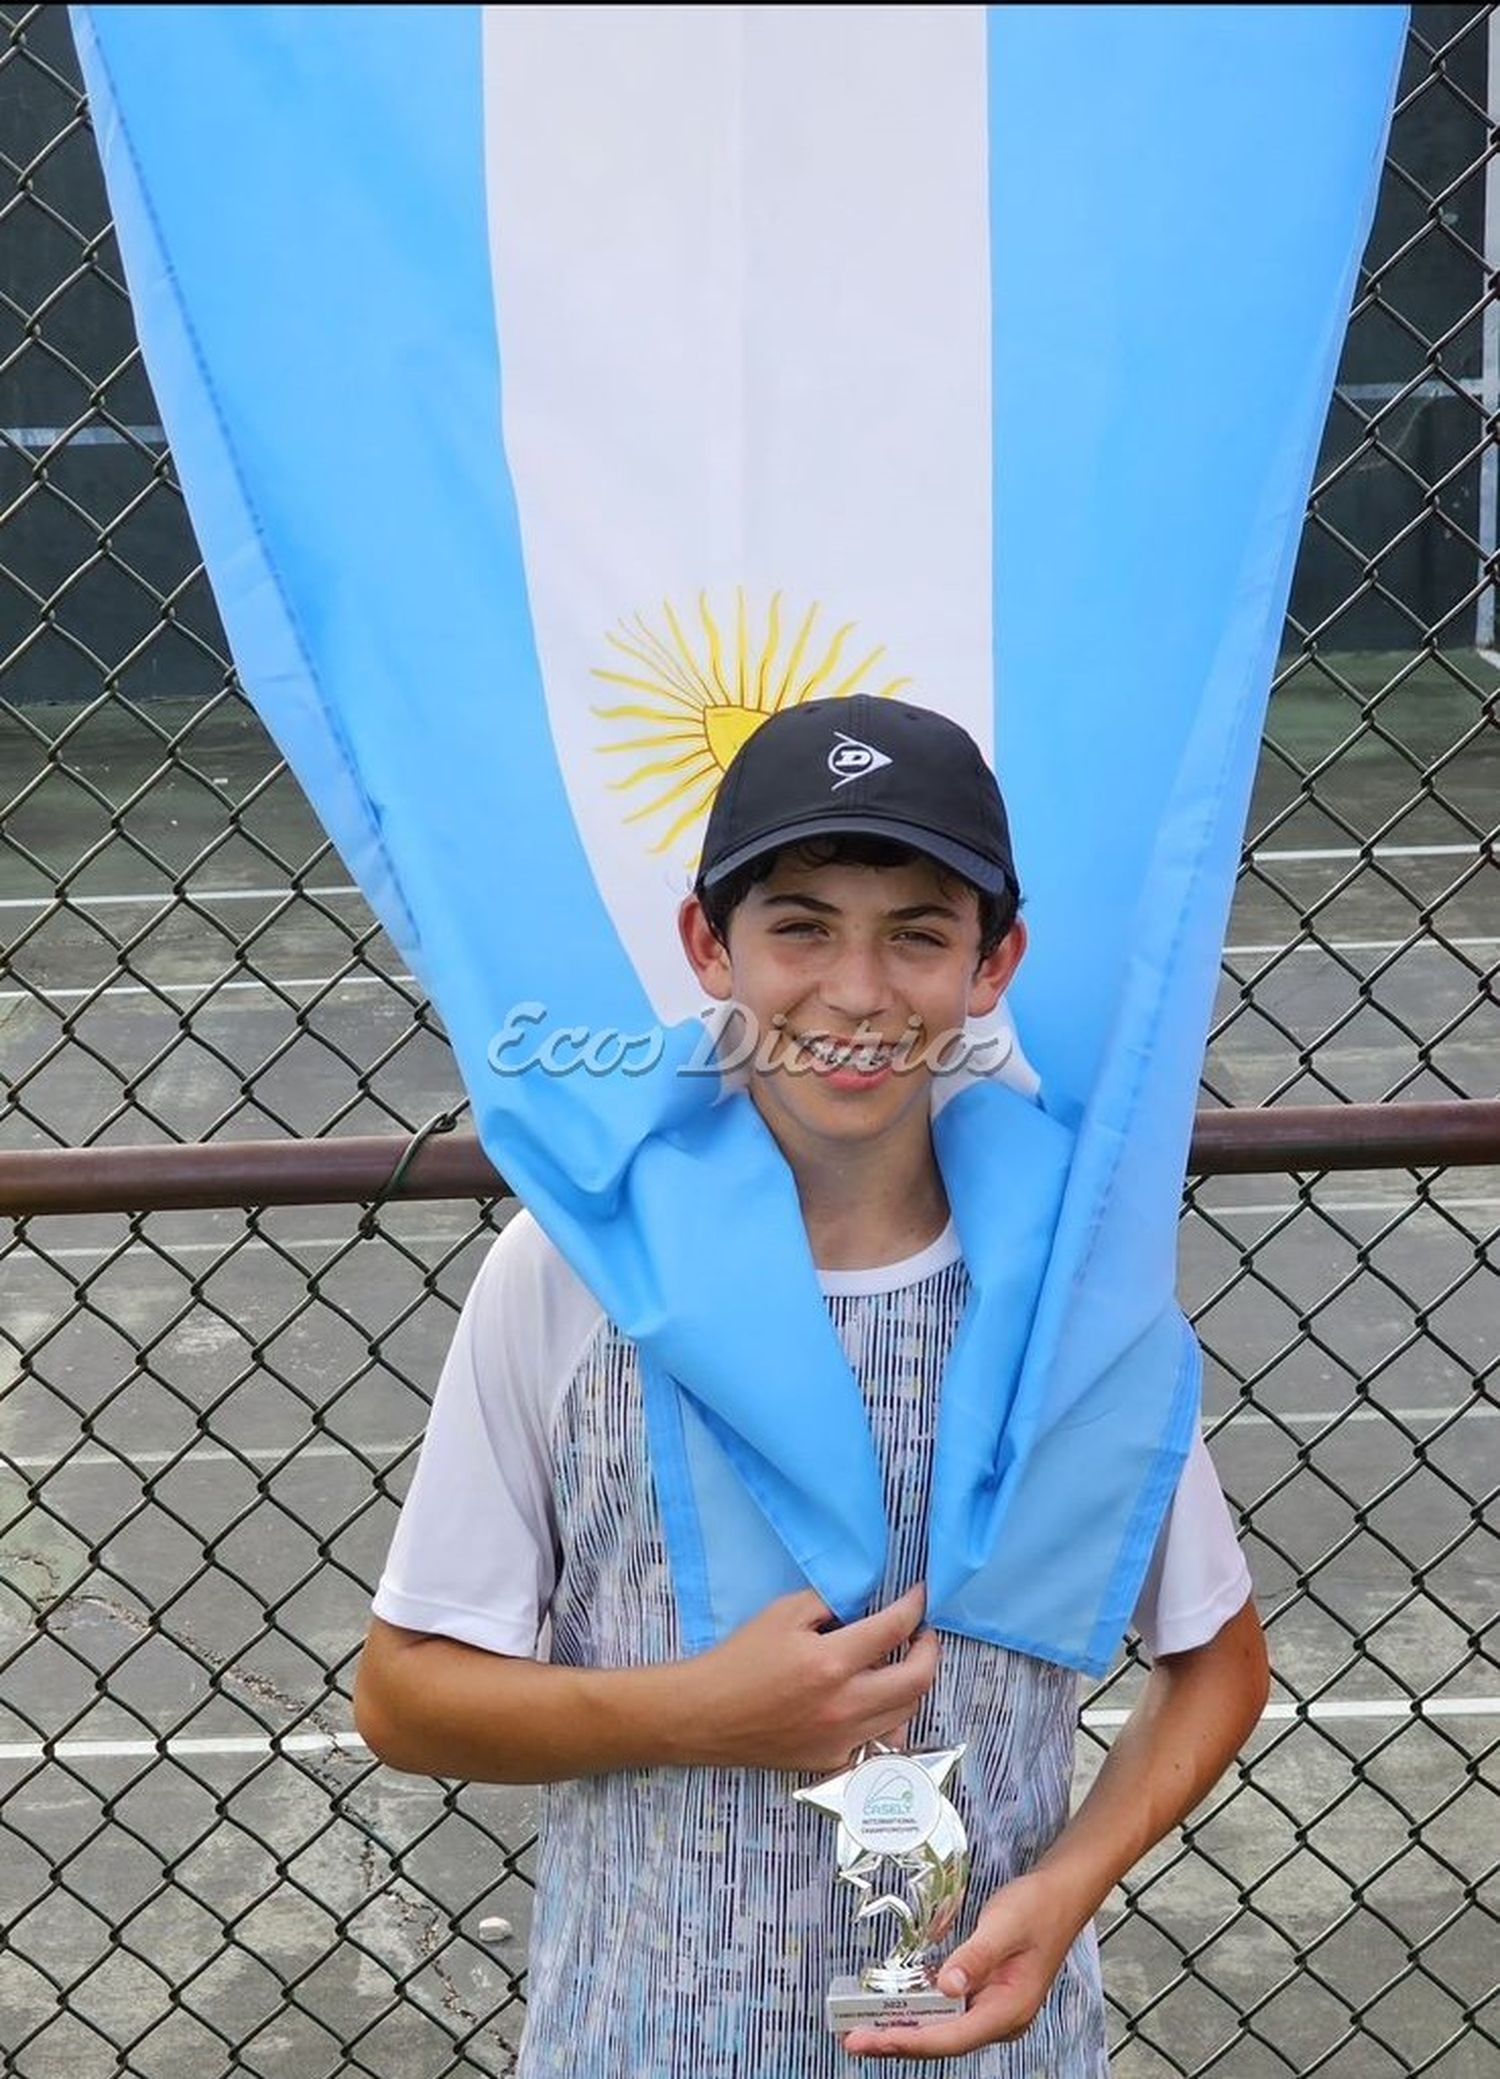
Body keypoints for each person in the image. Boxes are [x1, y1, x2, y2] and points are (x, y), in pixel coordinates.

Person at [354, 695, 1270, 2077]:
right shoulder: (573, 1270)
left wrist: (1067, 1888)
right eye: (801, 926)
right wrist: (702, 1712)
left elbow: (1219, 1663)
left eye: (917, 933)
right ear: (706, 947)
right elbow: (406, 1697)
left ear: (993, 961)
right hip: (644, 2043)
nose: (855, 990)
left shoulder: (1071, 1291)